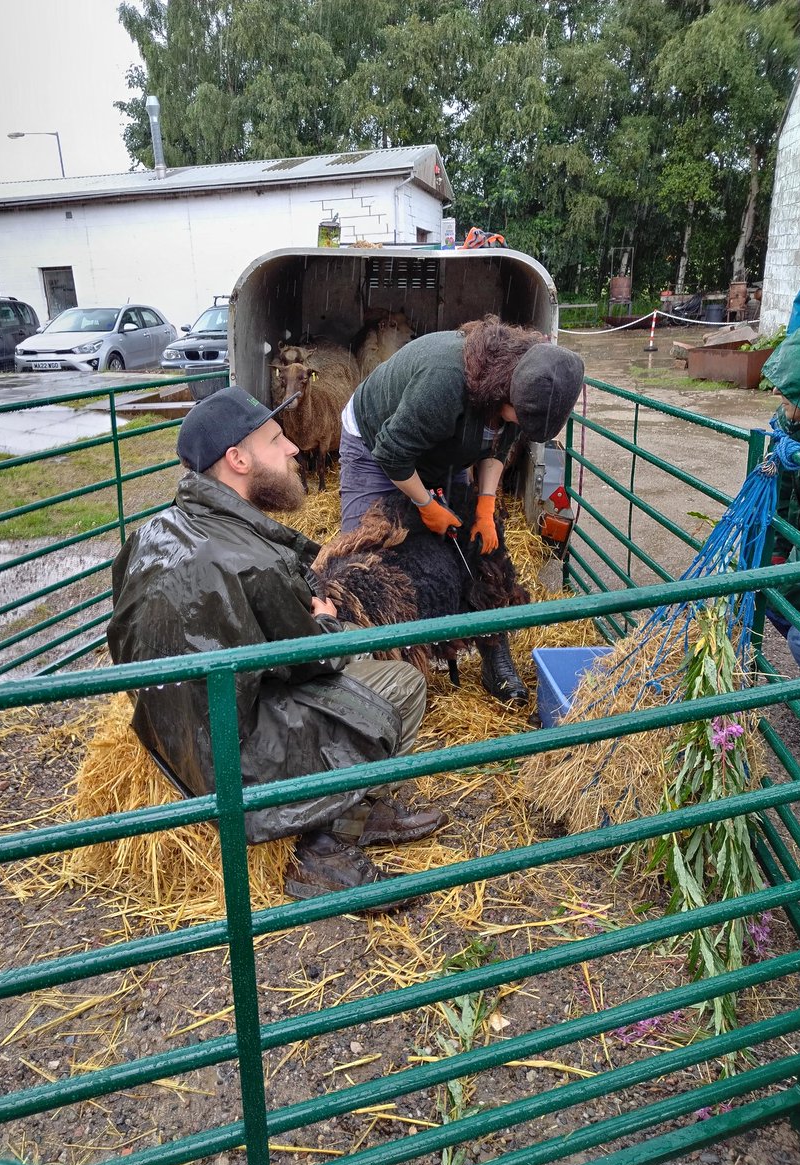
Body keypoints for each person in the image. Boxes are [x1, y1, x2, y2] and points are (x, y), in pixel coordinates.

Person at [107, 386, 446, 908]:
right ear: (237, 460)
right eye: (275, 440)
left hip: (167, 735)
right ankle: (325, 845)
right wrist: (329, 624)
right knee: (398, 683)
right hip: (229, 759)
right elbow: (313, 659)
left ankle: (347, 807)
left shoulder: (152, 533)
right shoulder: (250, 561)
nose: (292, 448)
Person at [338, 314, 584, 699]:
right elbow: (393, 452)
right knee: (367, 558)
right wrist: (424, 504)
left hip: (444, 447)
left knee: (474, 546)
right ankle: (379, 681)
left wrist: (485, 505)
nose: (518, 423)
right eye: (518, 416)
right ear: (502, 390)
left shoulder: (526, 388)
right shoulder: (445, 380)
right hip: (378, 446)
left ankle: (493, 653)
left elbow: (498, 446)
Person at [765, 328, 800, 668]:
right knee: (772, 597)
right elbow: (783, 492)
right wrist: (776, 552)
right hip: (795, 540)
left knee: (798, 637)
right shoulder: (787, 429)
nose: (777, 389)